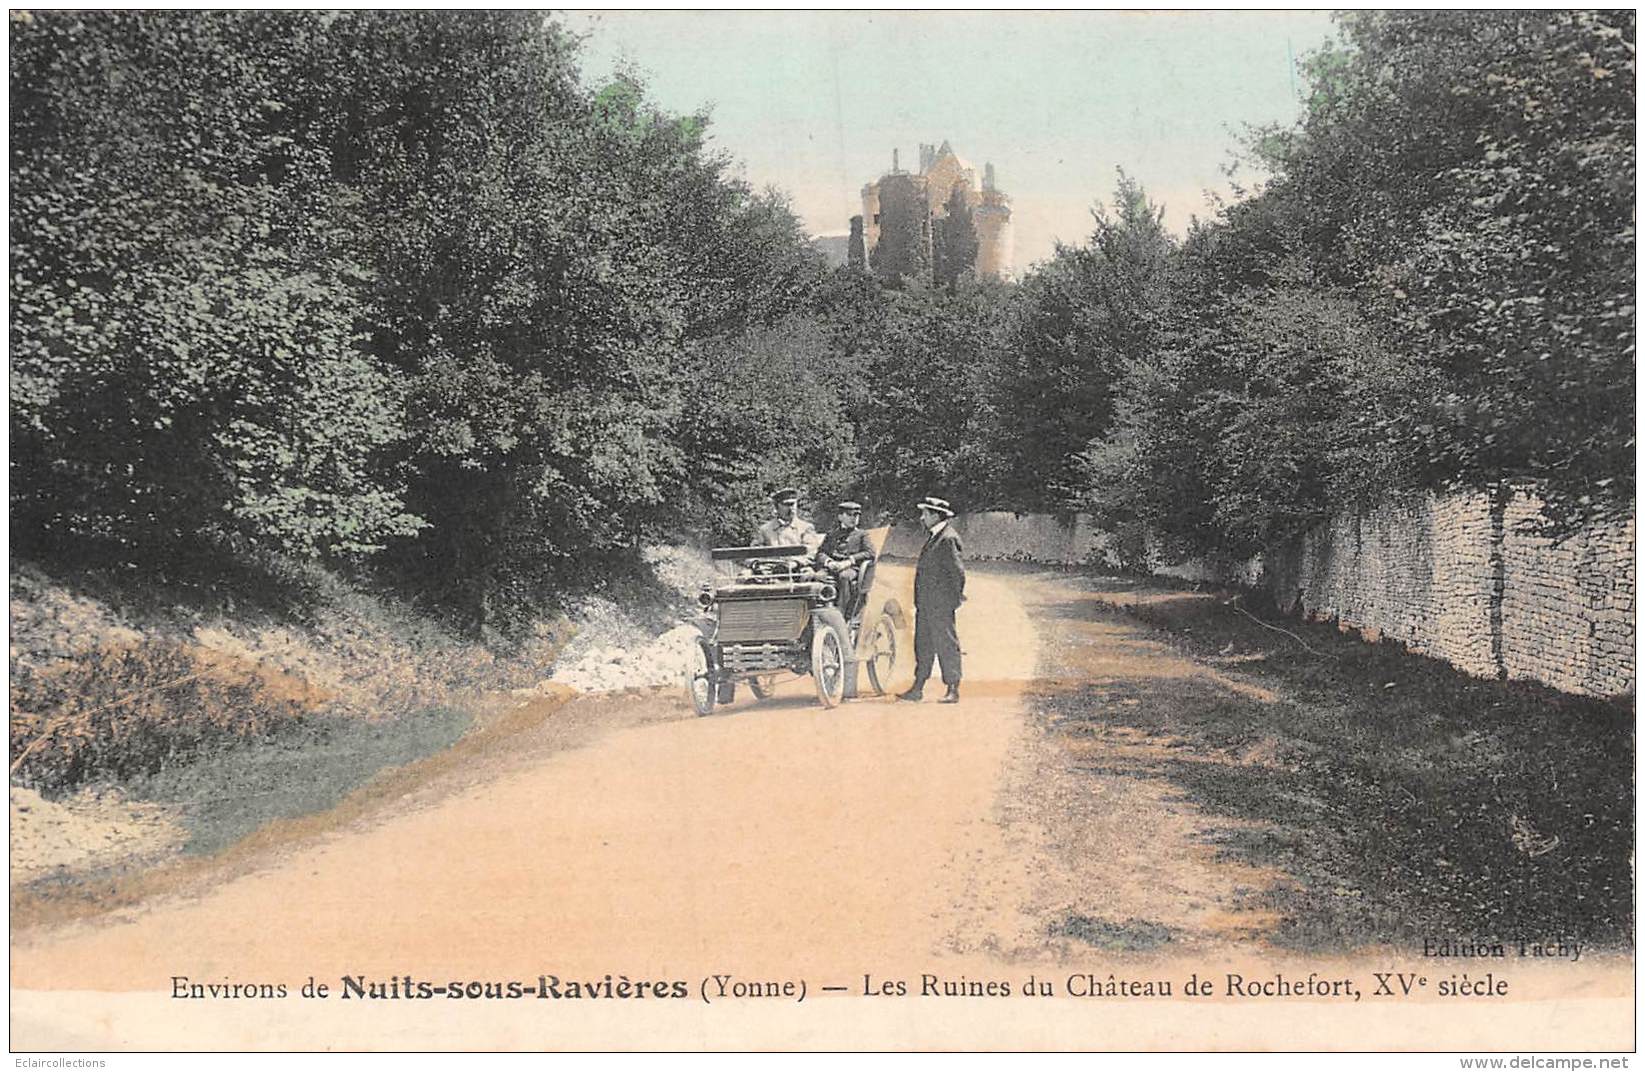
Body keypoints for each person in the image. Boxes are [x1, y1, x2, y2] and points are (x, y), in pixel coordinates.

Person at [898, 495, 965, 704]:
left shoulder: (948, 538)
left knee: (946, 644)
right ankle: (918, 688)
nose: (922, 518)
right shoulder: (935, 536)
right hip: (926, 604)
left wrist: (952, 600)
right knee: (923, 644)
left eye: (925, 514)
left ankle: (953, 688)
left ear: (936, 515)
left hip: (941, 604)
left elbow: (957, 573)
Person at [815, 500, 875, 616]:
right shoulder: (832, 534)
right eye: (850, 515)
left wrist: (849, 561)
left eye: (856, 515)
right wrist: (829, 562)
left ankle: (843, 614)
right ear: (840, 517)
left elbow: (870, 553)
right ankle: (819, 613)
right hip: (832, 567)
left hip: (851, 569)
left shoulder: (862, 534)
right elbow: (821, 553)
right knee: (817, 576)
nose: (854, 518)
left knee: (844, 576)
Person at [754, 487, 819, 550]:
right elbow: (754, 553)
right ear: (777, 506)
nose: (791, 508)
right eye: (787, 504)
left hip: (797, 561)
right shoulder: (765, 530)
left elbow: (811, 552)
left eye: (793, 504)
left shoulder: (805, 528)